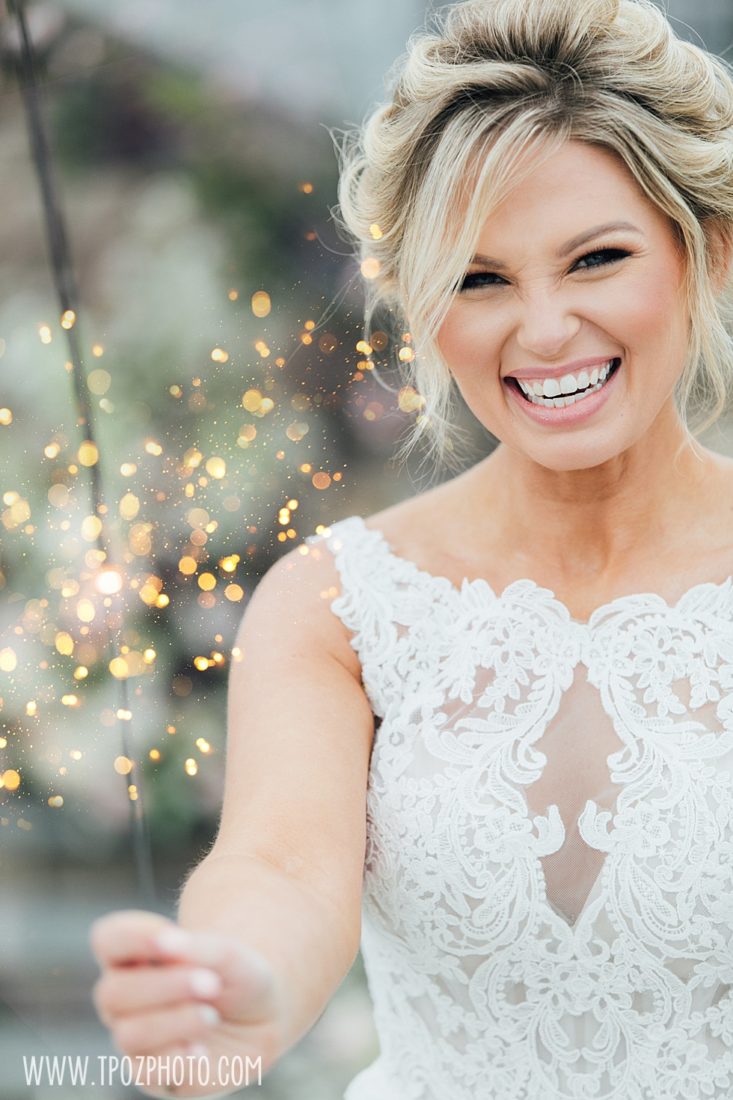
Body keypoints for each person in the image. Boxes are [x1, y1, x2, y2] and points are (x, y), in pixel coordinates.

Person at [90, 0, 733, 1096]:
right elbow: (283, 867)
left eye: (595, 259)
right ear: (419, 304)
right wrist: (230, 988)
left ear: (706, 248)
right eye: (479, 279)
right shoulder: (336, 602)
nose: (540, 329)